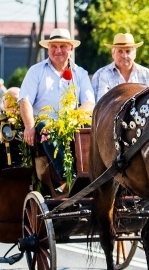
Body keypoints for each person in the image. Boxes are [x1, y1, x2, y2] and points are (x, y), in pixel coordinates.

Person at [19, 28, 95, 183]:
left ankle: (93, 174)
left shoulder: (80, 73)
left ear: (71, 48)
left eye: (63, 46)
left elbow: (89, 103)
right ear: (48, 48)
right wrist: (29, 126)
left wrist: (73, 118)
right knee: (46, 127)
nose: (58, 50)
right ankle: (68, 177)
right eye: (54, 46)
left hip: (72, 123)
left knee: (93, 127)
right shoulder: (36, 71)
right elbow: (25, 100)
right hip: (45, 123)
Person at [91, 32, 149, 100]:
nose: (124, 56)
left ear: (134, 54)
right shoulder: (100, 75)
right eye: (120, 51)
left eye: (128, 51)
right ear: (113, 54)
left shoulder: (147, 75)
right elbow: (99, 104)